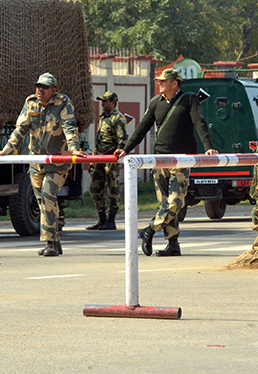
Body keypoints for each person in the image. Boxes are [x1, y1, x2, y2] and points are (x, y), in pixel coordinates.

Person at [113, 68, 218, 257]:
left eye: (164, 81)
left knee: (176, 200)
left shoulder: (189, 99)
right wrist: (125, 149)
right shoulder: (155, 102)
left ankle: (150, 229)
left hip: (182, 158)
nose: (159, 83)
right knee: (164, 203)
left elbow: (199, 123)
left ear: (175, 83)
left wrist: (208, 147)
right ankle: (173, 244)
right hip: (159, 159)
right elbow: (141, 128)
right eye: (159, 81)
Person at [0, 72, 86, 257]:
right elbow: (20, 129)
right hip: (37, 161)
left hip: (58, 162)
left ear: (54, 89)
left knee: (47, 195)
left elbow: (69, 127)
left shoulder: (63, 103)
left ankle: (50, 242)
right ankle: (55, 241)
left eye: (44, 87)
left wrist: (74, 149)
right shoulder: (31, 103)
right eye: (38, 86)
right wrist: (7, 150)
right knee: (41, 200)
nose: (40, 90)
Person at [86, 91, 129, 231]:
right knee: (95, 188)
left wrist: (117, 157)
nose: (102, 104)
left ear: (113, 102)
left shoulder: (118, 118)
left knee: (113, 189)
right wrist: (93, 158)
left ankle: (111, 220)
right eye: (101, 101)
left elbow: (122, 140)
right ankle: (102, 219)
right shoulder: (103, 117)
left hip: (111, 158)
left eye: (106, 101)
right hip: (99, 158)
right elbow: (99, 140)